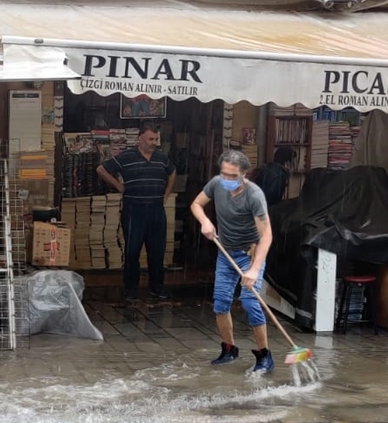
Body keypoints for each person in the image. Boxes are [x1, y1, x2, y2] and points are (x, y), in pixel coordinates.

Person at [190, 150, 274, 374]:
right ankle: (229, 349)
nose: (226, 179)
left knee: (249, 301)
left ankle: (264, 355)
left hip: (250, 254)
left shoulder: (254, 195)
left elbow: (266, 235)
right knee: (220, 303)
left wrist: (255, 269)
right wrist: (205, 221)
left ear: (244, 174)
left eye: (232, 175)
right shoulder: (216, 184)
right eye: (224, 173)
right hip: (225, 252)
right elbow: (196, 204)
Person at [96, 123, 176, 300]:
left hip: (156, 209)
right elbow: (101, 169)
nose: (154, 142)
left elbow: (172, 172)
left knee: (157, 250)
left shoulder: (161, 157)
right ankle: (131, 289)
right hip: (134, 209)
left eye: (156, 139)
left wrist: (167, 193)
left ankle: (157, 287)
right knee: (132, 251)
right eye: (151, 139)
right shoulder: (127, 156)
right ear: (140, 139)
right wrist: (118, 185)